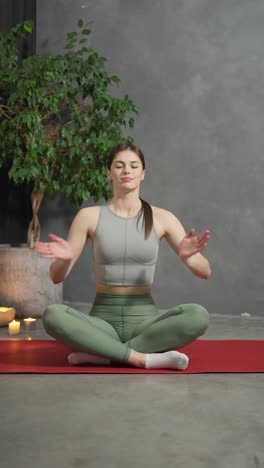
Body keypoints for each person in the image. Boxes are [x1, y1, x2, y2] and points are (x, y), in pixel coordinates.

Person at [34, 142, 211, 370]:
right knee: (52, 315)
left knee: (198, 316)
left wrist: (188, 257)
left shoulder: (162, 217)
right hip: (102, 321)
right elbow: (56, 277)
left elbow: (205, 271)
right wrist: (66, 259)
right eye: (119, 165)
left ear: (142, 173)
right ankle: (141, 358)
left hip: (145, 322)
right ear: (109, 173)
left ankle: (104, 353)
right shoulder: (88, 216)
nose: (126, 170)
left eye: (133, 166)